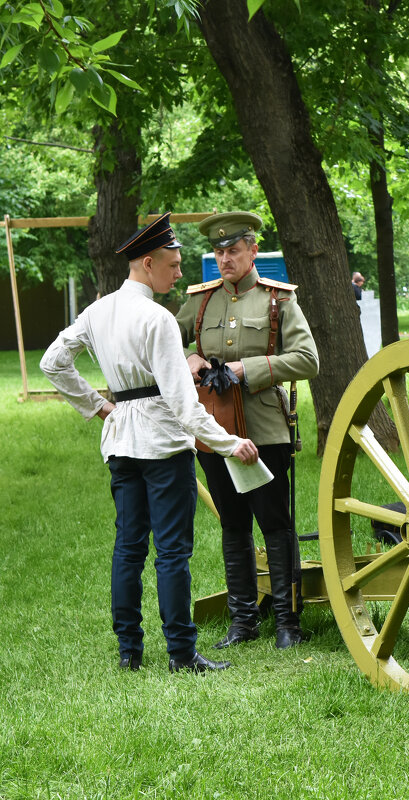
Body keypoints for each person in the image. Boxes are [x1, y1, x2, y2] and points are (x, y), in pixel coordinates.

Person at [40, 213, 260, 674]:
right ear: (146, 262)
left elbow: (53, 363)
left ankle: (130, 653)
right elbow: (184, 406)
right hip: (161, 444)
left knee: (129, 547)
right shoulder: (157, 319)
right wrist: (228, 442)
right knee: (173, 552)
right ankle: (181, 654)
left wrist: (101, 408)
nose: (180, 273)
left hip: (121, 441)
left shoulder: (97, 311)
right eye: (173, 264)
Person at [176, 211, 320, 650]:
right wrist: (188, 360)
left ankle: (286, 623)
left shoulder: (278, 300)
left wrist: (248, 369)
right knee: (233, 526)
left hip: (264, 431)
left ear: (253, 250)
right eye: (219, 252)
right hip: (215, 431)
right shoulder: (200, 302)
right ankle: (242, 624)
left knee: (275, 524)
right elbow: (162, 338)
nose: (225, 259)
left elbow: (308, 359)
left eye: (233, 251)